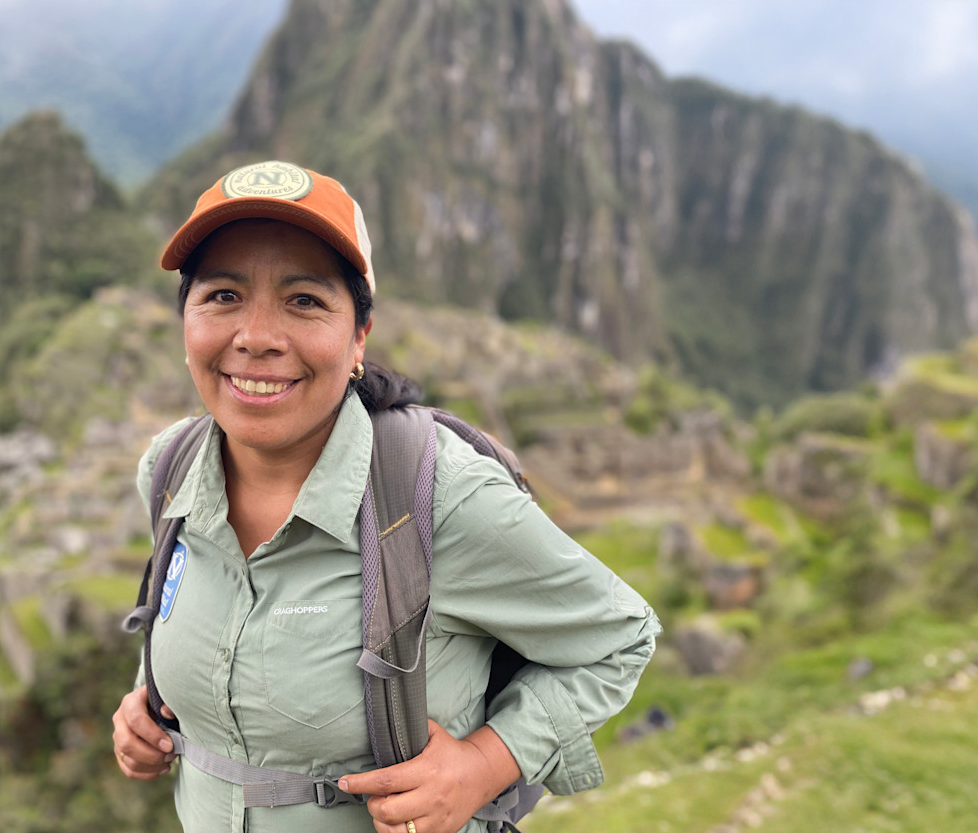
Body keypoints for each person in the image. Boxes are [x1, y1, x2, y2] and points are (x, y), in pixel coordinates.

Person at [111, 160, 660, 833]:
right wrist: (150, 702)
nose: (255, 336)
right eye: (223, 295)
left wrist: (484, 765)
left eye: (304, 300)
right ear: (186, 320)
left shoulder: (437, 499)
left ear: (358, 339)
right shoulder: (170, 472)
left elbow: (621, 636)